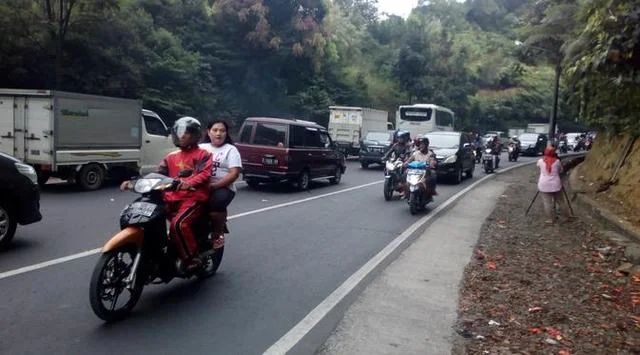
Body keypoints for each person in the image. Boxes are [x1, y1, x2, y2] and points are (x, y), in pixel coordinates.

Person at [121, 117, 213, 271]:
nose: (182, 136)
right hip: (170, 198)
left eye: (187, 133)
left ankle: (191, 258)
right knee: (143, 215)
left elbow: (204, 174)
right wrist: (135, 182)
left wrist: (188, 183)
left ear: (195, 135)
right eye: (179, 132)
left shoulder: (203, 154)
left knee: (178, 224)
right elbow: (158, 174)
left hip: (193, 198)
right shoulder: (171, 156)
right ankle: (156, 253)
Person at [199, 120, 242, 248]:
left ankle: (218, 234)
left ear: (226, 133)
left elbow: (234, 174)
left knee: (216, 204)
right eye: (215, 130)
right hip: (200, 184)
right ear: (208, 132)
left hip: (223, 187)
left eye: (222, 131)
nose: (218, 133)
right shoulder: (201, 148)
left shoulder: (231, 150)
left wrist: (214, 186)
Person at [536, 146, 573, 224]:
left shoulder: (540, 161)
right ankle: (567, 217)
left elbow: (538, 167)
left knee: (547, 202)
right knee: (561, 201)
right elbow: (561, 170)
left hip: (544, 184)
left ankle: (550, 219)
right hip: (556, 184)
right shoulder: (557, 161)